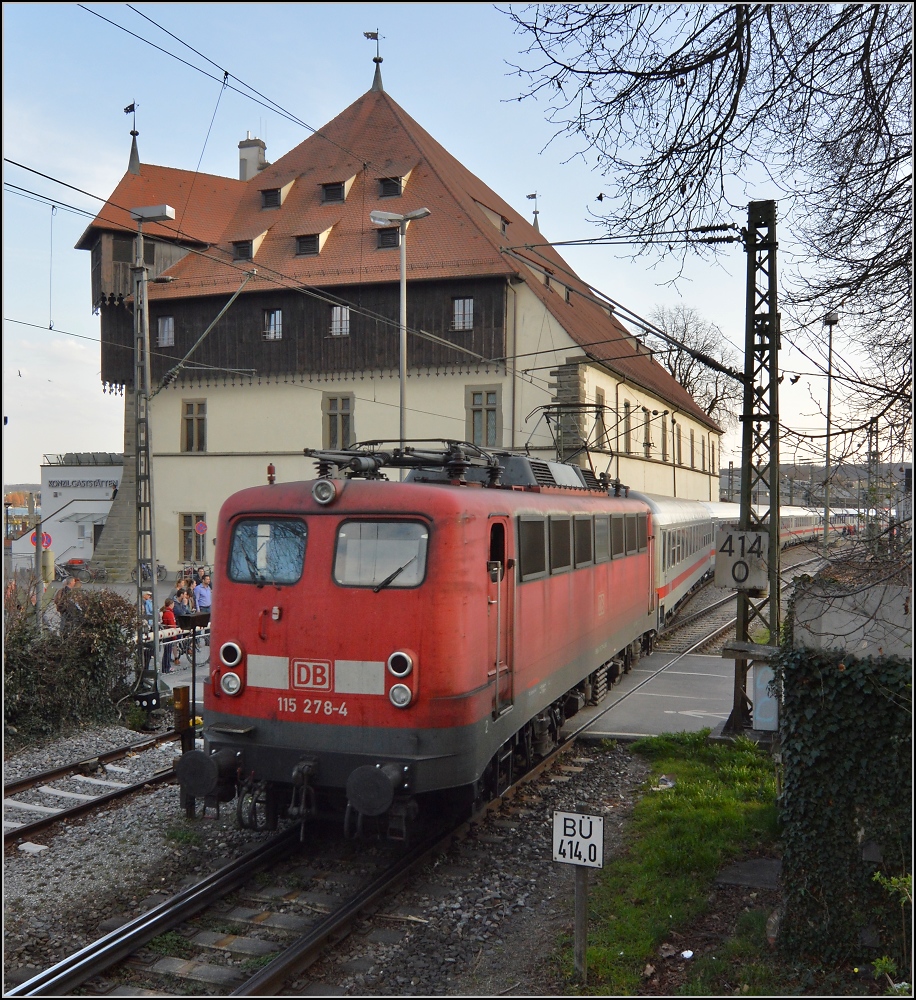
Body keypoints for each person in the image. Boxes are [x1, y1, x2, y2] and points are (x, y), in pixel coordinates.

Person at [160, 598, 177, 672]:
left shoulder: (165, 612)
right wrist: (174, 636)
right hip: (169, 634)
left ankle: (166, 667)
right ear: (171, 604)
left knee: (167, 651)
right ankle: (166, 667)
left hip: (166, 633)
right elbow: (172, 624)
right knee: (167, 652)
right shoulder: (169, 613)